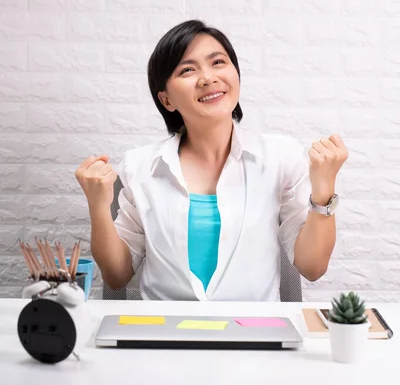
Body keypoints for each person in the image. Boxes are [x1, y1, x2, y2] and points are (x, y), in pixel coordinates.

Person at [75, 19, 348, 301]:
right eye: (188, 70)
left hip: (252, 334)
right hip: (165, 335)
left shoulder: (280, 158)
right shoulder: (140, 166)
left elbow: (313, 267)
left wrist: (324, 189)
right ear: (167, 100)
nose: (208, 78)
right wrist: (98, 206)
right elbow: (117, 276)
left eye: (218, 62)